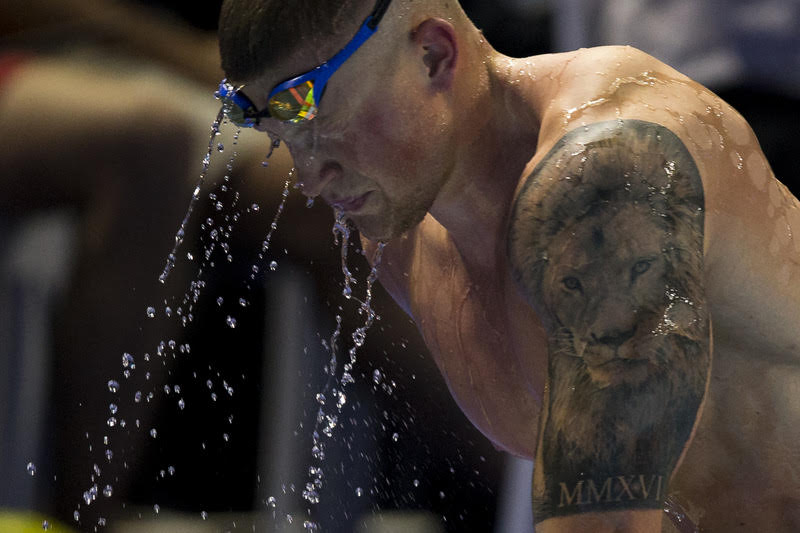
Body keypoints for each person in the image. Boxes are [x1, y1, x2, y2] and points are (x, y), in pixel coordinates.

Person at [216, 0, 800, 531]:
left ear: (432, 54)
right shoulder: (401, 239)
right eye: (284, 133)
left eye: (322, 119)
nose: (311, 177)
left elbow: (609, 522)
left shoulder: (608, 170)